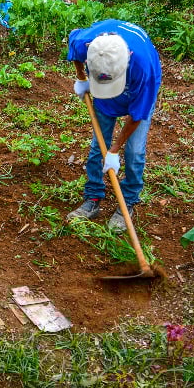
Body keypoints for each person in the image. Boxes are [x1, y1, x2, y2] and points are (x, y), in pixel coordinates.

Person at [64, 19, 163, 233]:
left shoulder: (144, 71)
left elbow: (136, 116)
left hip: (136, 87)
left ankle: (127, 201)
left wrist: (114, 150)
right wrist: (82, 79)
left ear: (127, 59)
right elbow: (73, 44)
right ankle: (93, 197)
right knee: (96, 148)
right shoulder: (87, 43)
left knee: (134, 152)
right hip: (106, 96)